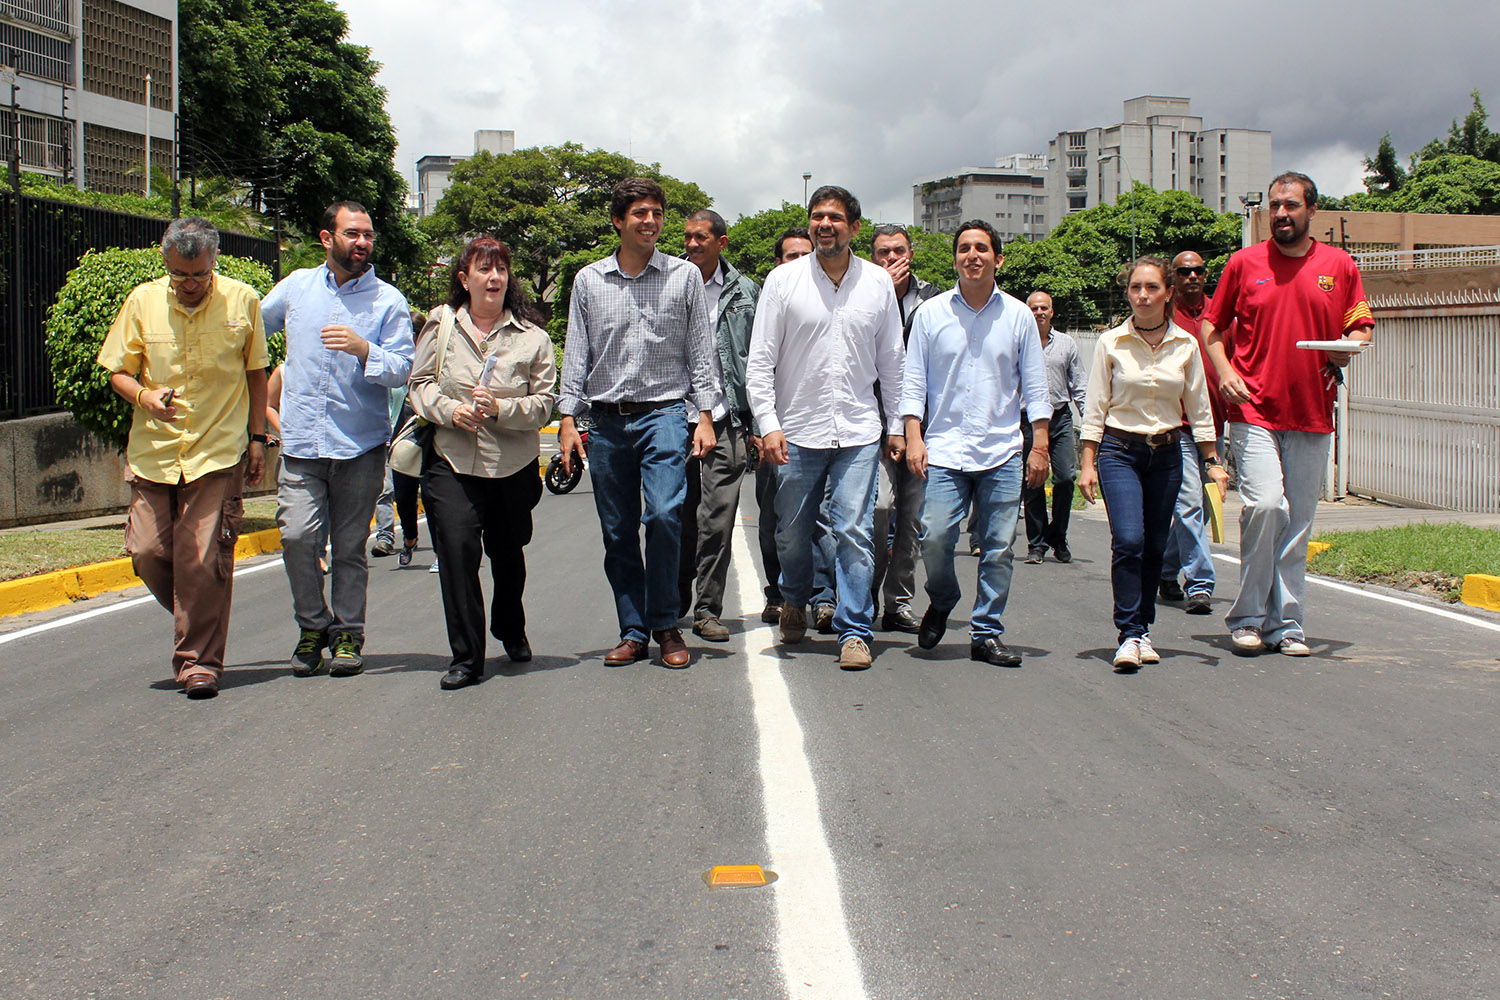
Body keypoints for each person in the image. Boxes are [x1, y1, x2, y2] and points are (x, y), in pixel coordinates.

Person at [96, 217, 269, 699]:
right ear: (166, 263)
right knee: (148, 552)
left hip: (218, 450)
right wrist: (143, 397)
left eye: (198, 274)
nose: (189, 285)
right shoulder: (142, 302)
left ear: (214, 261)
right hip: (155, 452)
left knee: (201, 560)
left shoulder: (242, 300)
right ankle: (196, 610)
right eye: (179, 276)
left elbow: (257, 374)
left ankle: (199, 664)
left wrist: (258, 439)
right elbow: (118, 371)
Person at [1202, 172, 1374, 657]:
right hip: (1254, 409)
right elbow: (1213, 326)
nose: (1280, 214)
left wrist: (1348, 350)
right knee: (1266, 507)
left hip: (1313, 413)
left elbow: (1360, 328)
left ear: (1311, 210)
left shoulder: (1339, 266)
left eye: (1291, 205)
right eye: (1274, 206)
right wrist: (1225, 373)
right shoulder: (1245, 262)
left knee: (1297, 522)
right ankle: (1248, 617)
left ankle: (1287, 625)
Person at [557, 177, 722, 669]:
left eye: (656, 213)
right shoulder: (589, 280)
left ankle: (666, 623)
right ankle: (633, 630)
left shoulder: (683, 276)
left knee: (667, 515)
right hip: (606, 421)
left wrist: (706, 415)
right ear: (618, 221)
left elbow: (700, 350)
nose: (650, 222)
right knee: (618, 529)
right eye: (639, 214)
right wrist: (568, 419)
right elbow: (576, 353)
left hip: (666, 414)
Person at [746, 185, 906, 670]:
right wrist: (768, 424)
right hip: (796, 432)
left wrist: (897, 425)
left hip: (859, 432)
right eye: (817, 217)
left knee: (854, 530)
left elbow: (893, 364)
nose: (824, 225)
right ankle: (795, 598)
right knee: (791, 535)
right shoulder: (783, 281)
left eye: (835, 217)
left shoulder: (877, 283)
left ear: (854, 228)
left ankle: (853, 630)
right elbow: (760, 362)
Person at [261, 201, 415, 678]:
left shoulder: (388, 301)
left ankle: (348, 633)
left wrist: (364, 347)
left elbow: (404, 369)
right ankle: (312, 626)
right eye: (352, 233)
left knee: (350, 547)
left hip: (358, 447)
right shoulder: (295, 289)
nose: (363, 242)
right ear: (327, 238)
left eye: (368, 234)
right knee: (297, 538)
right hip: (302, 444)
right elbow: (248, 332)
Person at [409, 238, 555, 690]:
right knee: (457, 555)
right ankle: (467, 657)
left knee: (507, 557)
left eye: (501, 270)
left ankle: (510, 627)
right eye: (483, 270)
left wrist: (499, 410)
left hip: (511, 466)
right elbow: (418, 384)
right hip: (450, 459)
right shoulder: (441, 325)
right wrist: (451, 410)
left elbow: (546, 404)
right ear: (464, 279)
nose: (494, 278)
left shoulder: (533, 338)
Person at [901, 220, 1049, 666]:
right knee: (935, 537)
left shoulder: (1020, 315)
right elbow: (913, 383)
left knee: (1000, 546)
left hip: (1001, 449)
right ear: (955, 259)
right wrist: (913, 436)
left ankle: (986, 632)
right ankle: (943, 597)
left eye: (981, 248)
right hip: (944, 448)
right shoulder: (930, 314)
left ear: (997, 258)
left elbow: (1037, 387)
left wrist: (1038, 444)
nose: (972, 256)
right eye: (964, 248)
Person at [1078, 256, 1228, 671]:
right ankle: (1127, 634)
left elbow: (1199, 408)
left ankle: (1142, 629)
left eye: (1152, 288)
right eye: (1135, 288)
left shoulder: (1187, 345)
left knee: (1156, 545)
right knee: (1129, 540)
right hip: (1119, 451)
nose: (1142, 296)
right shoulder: (1111, 342)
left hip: (1167, 453)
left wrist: (1212, 461)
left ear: (1168, 294)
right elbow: (1095, 407)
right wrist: (1087, 463)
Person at [676, 209, 760, 641]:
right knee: (675, 516)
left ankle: (707, 610)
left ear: (722, 242)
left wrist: (760, 421)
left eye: (701, 238)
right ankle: (673, 603)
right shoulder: (669, 282)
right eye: (687, 237)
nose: (692, 245)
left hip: (728, 420)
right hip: (675, 418)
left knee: (718, 518)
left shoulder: (746, 291)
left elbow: (761, 358)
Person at [869, 224, 939, 633]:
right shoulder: (866, 293)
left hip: (923, 424)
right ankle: (862, 596)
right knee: (879, 511)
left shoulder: (933, 298)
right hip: (873, 423)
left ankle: (898, 603)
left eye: (897, 251)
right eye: (882, 253)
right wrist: (889, 297)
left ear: (910, 254)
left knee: (912, 518)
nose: (891, 259)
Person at [1158, 252, 1227, 614]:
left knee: (1192, 508)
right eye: (1184, 271)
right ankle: (1199, 583)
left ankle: (1165, 569)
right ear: (1174, 277)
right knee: (1189, 504)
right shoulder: (1165, 316)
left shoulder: (1219, 314)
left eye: (1198, 270)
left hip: (1217, 424)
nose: (1192, 277)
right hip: (1180, 426)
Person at [751, 227, 814, 625]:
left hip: (820, 432)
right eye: (792, 256)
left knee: (822, 520)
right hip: (775, 431)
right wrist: (761, 424)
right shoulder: (769, 301)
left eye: (806, 255)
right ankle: (777, 593)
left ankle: (819, 596)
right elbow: (754, 365)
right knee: (775, 520)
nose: (801, 263)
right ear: (778, 263)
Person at [1019, 291, 1086, 564]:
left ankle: (1058, 536)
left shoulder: (1067, 344)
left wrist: (1092, 424)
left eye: (1043, 307)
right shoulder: (1019, 343)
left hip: (1059, 418)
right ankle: (1036, 544)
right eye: (1033, 308)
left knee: (1065, 478)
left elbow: (1079, 385)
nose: (1039, 312)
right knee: (1033, 482)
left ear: (1052, 311)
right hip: (1027, 421)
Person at [372, 310, 426, 566]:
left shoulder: (428, 363)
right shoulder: (391, 362)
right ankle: (407, 538)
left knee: (431, 494)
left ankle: (440, 551)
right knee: (399, 496)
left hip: (424, 439)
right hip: (393, 441)